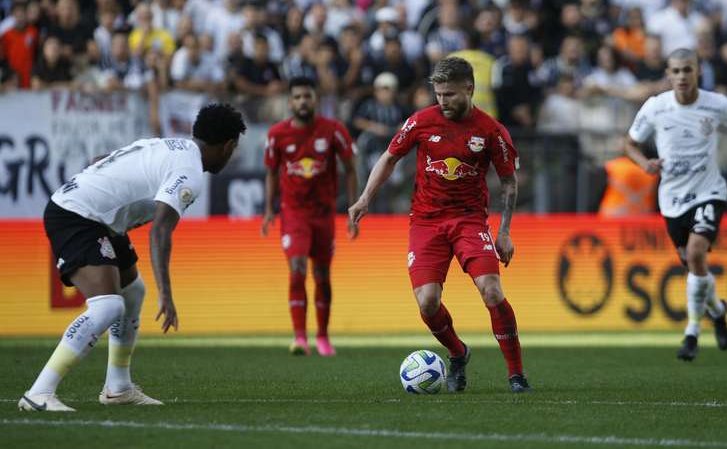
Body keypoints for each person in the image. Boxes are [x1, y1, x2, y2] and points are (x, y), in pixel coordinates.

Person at [19, 103, 246, 412]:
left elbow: (102, 160)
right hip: (77, 215)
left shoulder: (168, 143)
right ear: (229, 145)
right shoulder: (189, 172)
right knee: (109, 305)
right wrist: (166, 294)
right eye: (233, 149)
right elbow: (160, 233)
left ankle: (118, 386)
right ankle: (39, 393)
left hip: (97, 217)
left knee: (132, 291)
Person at [349, 56, 533, 393]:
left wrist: (504, 231)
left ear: (469, 88)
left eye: (449, 94)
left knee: (491, 289)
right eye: (438, 94)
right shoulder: (421, 122)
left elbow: (509, 182)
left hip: (469, 220)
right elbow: (389, 158)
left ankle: (516, 374)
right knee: (427, 302)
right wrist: (364, 199)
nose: (442, 101)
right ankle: (458, 353)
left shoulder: (491, 130)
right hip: (425, 222)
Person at [625, 49, 727, 361]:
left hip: (709, 191)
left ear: (698, 72)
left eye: (687, 70)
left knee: (696, 252)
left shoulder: (717, 104)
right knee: (695, 267)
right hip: (672, 199)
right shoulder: (656, 107)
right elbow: (629, 143)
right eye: (675, 71)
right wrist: (643, 162)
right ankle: (717, 311)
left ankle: (691, 333)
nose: (681, 77)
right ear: (667, 73)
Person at [262, 77, 359, 357]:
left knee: (322, 274)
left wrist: (353, 209)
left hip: (324, 214)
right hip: (293, 213)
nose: (303, 101)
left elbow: (350, 168)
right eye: (298, 97)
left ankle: (323, 337)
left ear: (315, 100)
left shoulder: (333, 131)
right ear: (290, 102)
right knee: (297, 268)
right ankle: (300, 337)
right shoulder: (277, 134)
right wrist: (269, 210)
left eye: (307, 96)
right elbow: (270, 172)